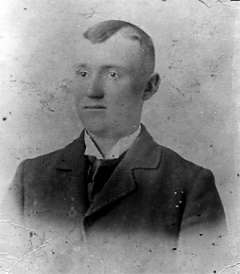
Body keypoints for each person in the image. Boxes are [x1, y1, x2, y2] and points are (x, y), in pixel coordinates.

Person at [1, 20, 228, 274]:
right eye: (83, 73)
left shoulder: (190, 185)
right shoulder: (30, 178)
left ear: (150, 86)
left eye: (113, 74)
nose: (93, 90)